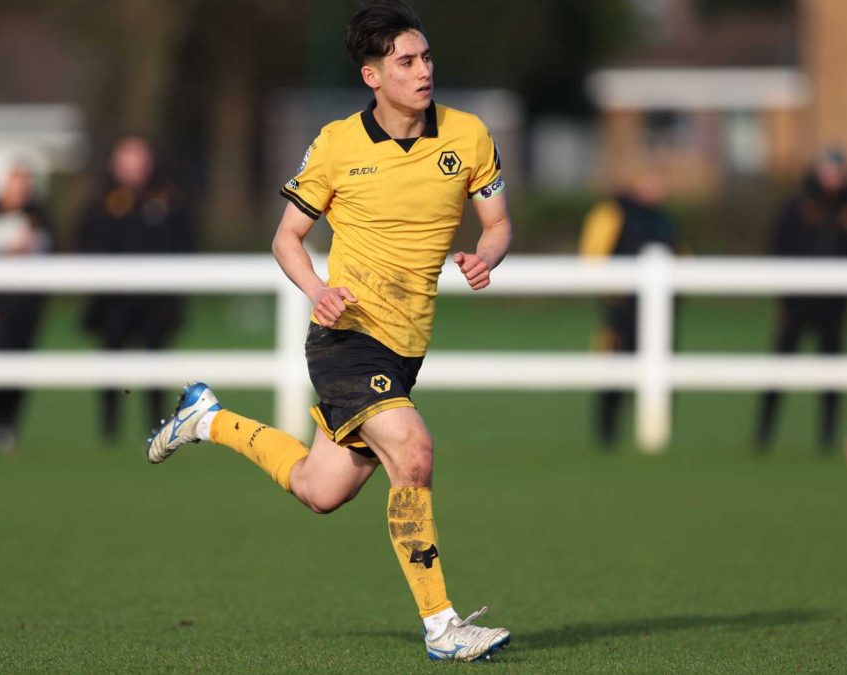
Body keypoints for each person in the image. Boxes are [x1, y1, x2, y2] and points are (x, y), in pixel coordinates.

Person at [146, 1, 512, 662]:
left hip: (405, 349)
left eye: (426, 57)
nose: (423, 71)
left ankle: (207, 419)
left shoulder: (469, 136)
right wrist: (318, 291)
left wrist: (487, 254)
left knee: (321, 490)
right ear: (373, 76)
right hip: (346, 338)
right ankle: (443, 627)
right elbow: (286, 239)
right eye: (407, 61)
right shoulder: (337, 145)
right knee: (414, 452)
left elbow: (499, 223)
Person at [756, 149, 847, 452]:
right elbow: (778, 246)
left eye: (837, 171)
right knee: (779, 369)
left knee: (832, 373)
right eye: (827, 170)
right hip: (796, 302)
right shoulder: (797, 205)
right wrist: (784, 294)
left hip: (834, 306)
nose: (832, 177)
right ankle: (762, 435)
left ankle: (827, 438)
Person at [76, 135, 195, 440]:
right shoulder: (100, 201)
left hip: (155, 302)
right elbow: (86, 242)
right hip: (112, 302)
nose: (134, 166)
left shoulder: (167, 199)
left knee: (155, 366)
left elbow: (184, 242)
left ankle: (157, 429)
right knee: (110, 366)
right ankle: (109, 432)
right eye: (127, 159)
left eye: (139, 159)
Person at [579, 170, 679, 447]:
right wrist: (610, 292)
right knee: (614, 367)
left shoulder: (663, 219)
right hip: (620, 307)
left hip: (658, 309)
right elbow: (593, 255)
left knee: (658, 370)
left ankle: (653, 429)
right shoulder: (611, 213)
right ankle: (606, 433)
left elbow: (679, 254)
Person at [0, 164, 52, 453]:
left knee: (21, 369)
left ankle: (10, 426)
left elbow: (51, 250)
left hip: (27, 307)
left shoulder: (38, 215)